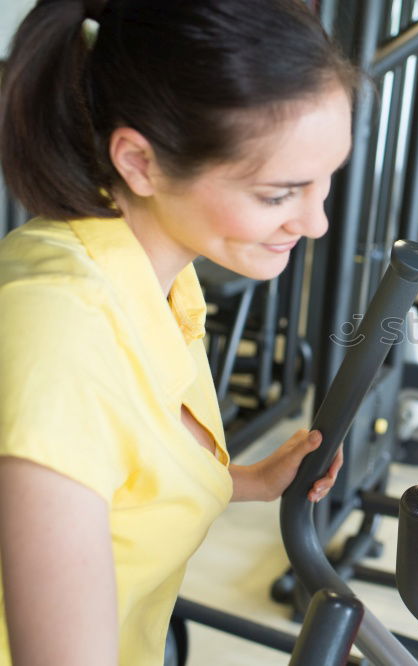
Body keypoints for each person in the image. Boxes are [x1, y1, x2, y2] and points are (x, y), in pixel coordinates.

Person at [0, 1, 355, 663]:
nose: (316, 223)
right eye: (280, 194)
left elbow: (116, 474)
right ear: (140, 161)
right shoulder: (65, 331)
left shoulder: (157, 271)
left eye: (325, 182)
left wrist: (240, 480)